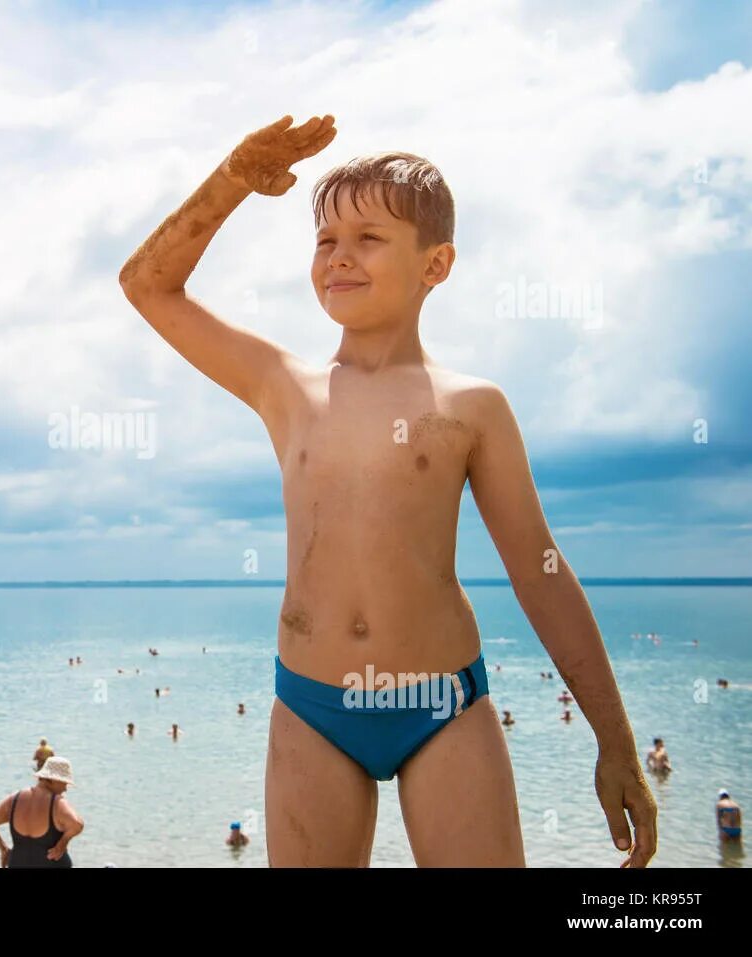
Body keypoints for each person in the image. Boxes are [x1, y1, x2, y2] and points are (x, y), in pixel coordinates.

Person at [120, 118, 656, 866]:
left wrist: (616, 742)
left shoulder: (473, 406)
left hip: (442, 708)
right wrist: (234, 177)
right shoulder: (284, 385)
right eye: (324, 240)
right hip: (312, 708)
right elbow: (147, 284)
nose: (338, 256)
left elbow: (540, 570)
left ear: (436, 264)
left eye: (368, 238)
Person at [0, 756, 84, 868]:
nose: (65, 789)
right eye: (65, 783)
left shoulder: (14, 799)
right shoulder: (57, 803)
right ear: (55, 779)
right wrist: (63, 842)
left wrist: (3, 849)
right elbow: (77, 824)